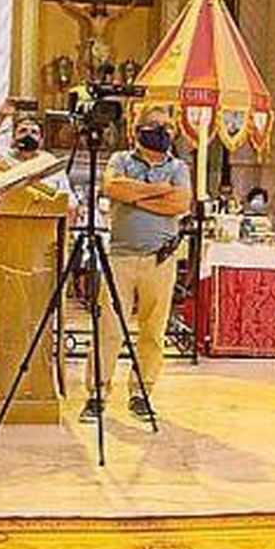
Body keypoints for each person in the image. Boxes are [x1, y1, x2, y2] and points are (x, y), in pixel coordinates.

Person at [87, 115, 193, 420]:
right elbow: (113, 188)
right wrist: (159, 190)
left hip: (160, 258)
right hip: (120, 256)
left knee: (152, 328)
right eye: (156, 126)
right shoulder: (121, 159)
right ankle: (97, 391)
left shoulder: (177, 168)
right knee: (109, 326)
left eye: (168, 127)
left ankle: (141, 391)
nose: (163, 131)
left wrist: (137, 196)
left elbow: (181, 203)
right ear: (137, 132)